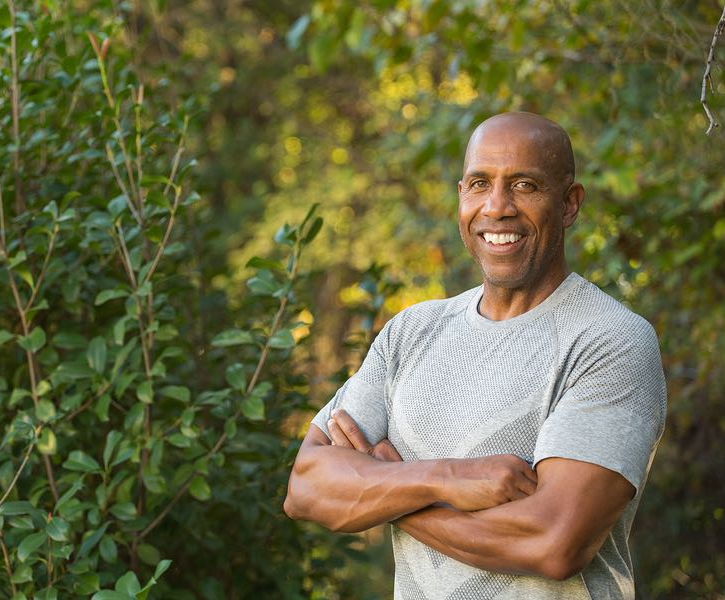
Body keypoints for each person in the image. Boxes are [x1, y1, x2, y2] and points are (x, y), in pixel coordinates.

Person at [283, 112, 667, 598]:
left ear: (569, 204)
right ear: (461, 195)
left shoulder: (610, 341)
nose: (497, 207)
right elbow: (306, 488)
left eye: (525, 185)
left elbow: (554, 542)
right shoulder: (412, 331)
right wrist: (447, 479)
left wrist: (385, 485)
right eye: (480, 184)